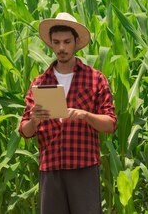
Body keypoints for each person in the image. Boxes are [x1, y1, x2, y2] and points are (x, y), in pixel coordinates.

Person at [19, 12, 116, 214]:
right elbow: (25, 131)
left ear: (76, 42)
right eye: (56, 43)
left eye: (66, 42)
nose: (61, 48)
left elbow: (110, 124)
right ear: (51, 44)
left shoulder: (95, 79)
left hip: (83, 167)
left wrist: (86, 115)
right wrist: (34, 120)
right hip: (51, 168)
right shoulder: (39, 83)